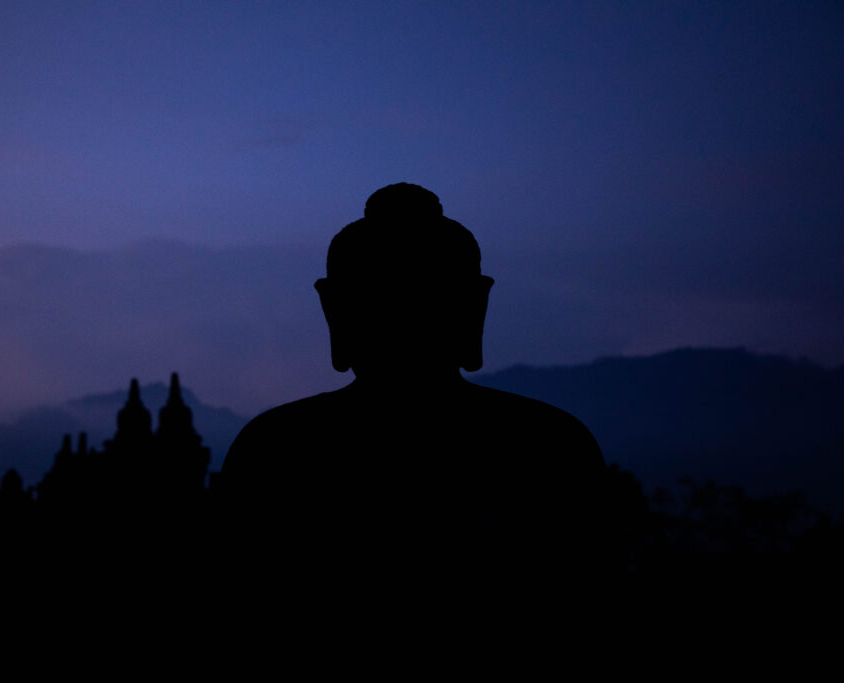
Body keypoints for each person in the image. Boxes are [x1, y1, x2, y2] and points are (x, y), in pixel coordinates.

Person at [219, 183, 607, 599]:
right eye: (381, 301)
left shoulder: (276, 447)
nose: (403, 319)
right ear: (477, 308)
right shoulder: (547, 443)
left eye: (424, 299)